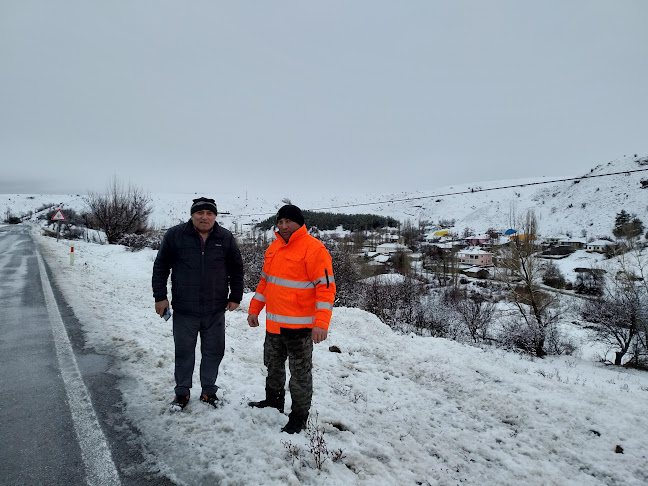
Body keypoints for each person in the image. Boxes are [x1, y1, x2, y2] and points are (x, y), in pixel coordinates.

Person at [247, 204, 336, 434]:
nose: (284, 226)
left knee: (300, 376)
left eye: (289, 222)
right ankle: (273, 402)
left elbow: (326, 289)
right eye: (280, 222)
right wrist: (255, 308)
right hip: (274, 325)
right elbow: (265, 282)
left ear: (299, 223)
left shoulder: (314, 249)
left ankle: (298, 417)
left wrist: (321, 323)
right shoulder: (274, 248)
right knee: (273, 367)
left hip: (300, 328)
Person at [152, 197, 244, 411]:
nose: (205, 217)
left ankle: (208, 391)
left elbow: (236, 269)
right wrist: (160, 297)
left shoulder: (225, 237)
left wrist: (235, 296)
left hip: (215, 309)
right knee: (184, 352)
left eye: (209, 213)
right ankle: (182, 393)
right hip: (185, 309)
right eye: (200, 213)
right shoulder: (176, 235)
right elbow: (161, 267)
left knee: (214, 351)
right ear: (192, 214)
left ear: (215, 216)